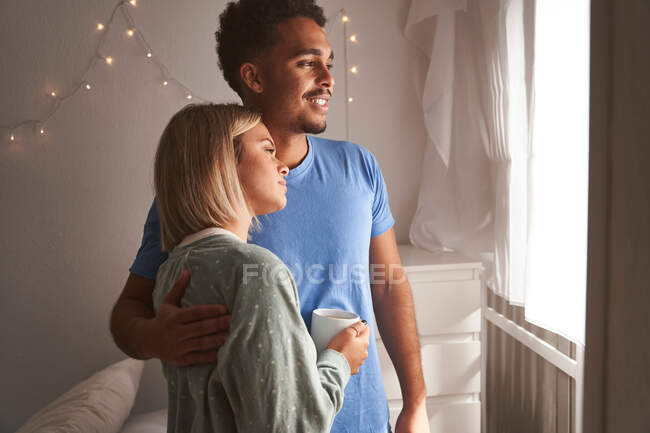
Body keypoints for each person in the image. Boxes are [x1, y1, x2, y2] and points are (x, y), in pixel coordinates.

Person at [110, 1, 430, 432]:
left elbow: (390, 286)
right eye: (307, 63)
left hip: (359, 417)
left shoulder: (359, 167)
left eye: (329, 63)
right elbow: (130, 309)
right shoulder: (205, 193)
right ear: (254, 77)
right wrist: (154, 338)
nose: (328, 80)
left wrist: (416, 401)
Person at [151, 103, 370, 432]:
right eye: (268, 150)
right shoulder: (255, 270)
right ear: (221, 163)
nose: (283, 166)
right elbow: (294, 426)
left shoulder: (171, 271)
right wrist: (339, 360)